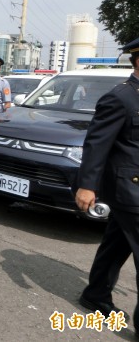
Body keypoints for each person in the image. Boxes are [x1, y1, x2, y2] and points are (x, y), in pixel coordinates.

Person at [75, 37, 139, 329]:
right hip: (130, 188)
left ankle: (96, 294)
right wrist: (87, 185)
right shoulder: (121, 97)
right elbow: (97, 144)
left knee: (116, 243)